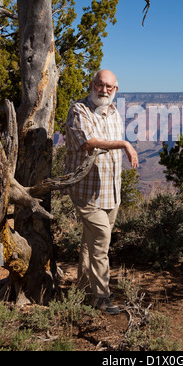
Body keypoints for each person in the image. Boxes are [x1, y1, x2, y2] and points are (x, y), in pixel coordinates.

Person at [65, 69, 138, 314]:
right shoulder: (79, 110)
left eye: (109, 87)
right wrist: (125, 144)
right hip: (86, 192)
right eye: (99, 85)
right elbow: (89, 142)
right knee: (101, 240)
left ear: (116, 90)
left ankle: (84, 288)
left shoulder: (115, 113)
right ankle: (101, 297)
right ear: (91, 84)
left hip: (110, 192)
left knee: (90, 242)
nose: (103, 90)